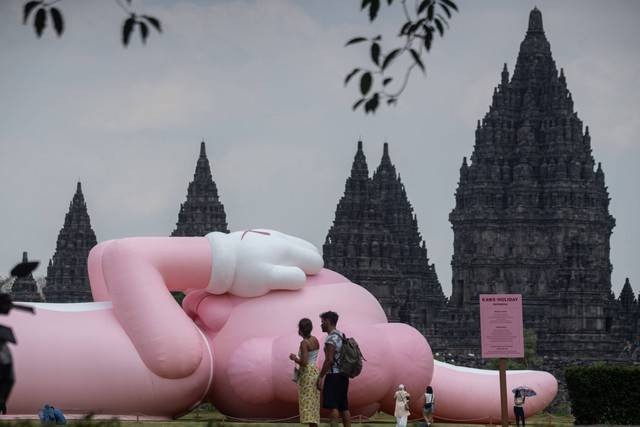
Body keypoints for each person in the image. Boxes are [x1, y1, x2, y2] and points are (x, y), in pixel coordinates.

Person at [316, 311, 350, 427]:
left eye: (322, 322)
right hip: (343, 375)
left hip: (333, 376)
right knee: (344, 407)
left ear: (328, 321)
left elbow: (329, 360)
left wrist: (321, 376)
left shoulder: (331, 339)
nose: (321, 324)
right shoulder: (341, 335)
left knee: (333, 407)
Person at [289, 318, 320, 427]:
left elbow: (304, 362)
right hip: (315, 371)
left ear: (301, 330)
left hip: (307, 374)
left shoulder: (304, 343)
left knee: (308, 403)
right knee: (313, 404)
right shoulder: (315, 339)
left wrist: (294, 358)